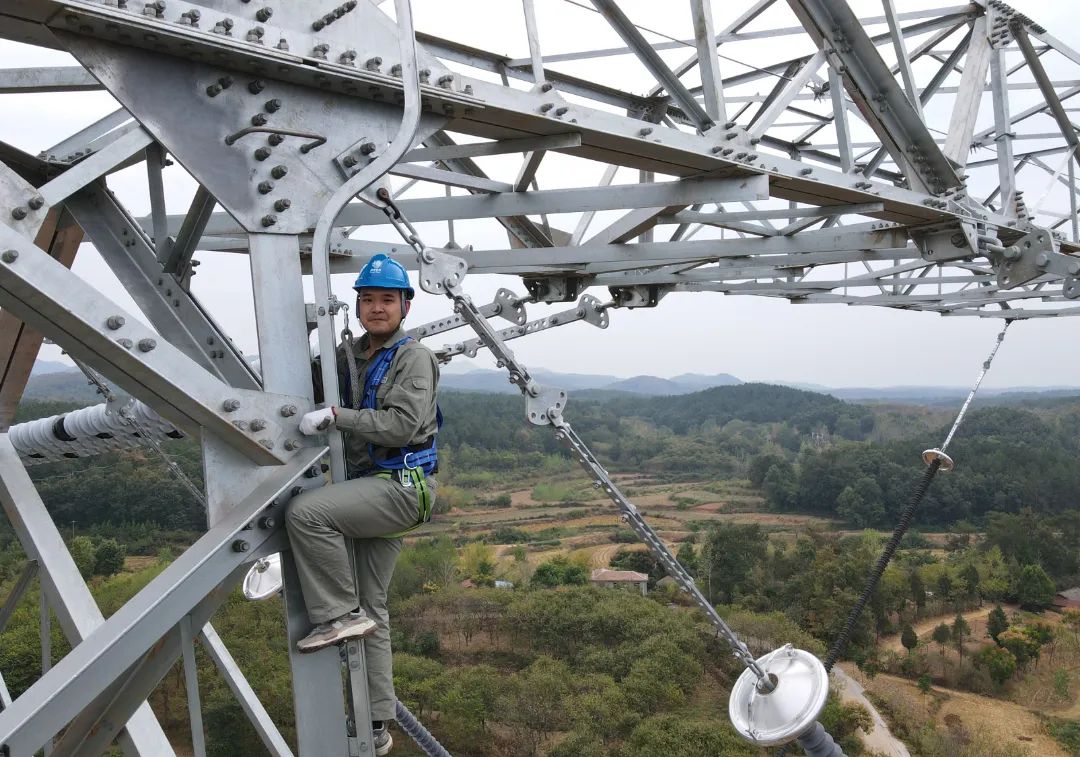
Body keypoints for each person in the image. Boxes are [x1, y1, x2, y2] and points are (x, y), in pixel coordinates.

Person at [289, 253, 439, 756]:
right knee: (372, 609)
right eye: (369, 300)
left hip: (400, 486)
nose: (377, 309)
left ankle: (333, 614)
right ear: (356, 306)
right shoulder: (351, 355)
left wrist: (338, 417)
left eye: (387, 300)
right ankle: (376, 722)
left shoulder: (412, 357)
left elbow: (400, 425)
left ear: (405, 307)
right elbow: (303, 385)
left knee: (307, 513)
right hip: (373, 487)